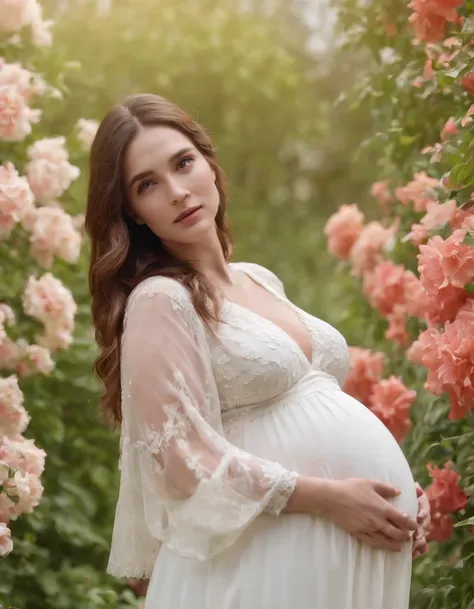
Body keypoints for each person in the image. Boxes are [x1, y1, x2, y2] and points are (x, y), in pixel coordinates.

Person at [85, 94, 431, 609]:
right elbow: (183, 461)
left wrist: (398, 496)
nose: (178, 192)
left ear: (208, 161)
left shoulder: (258, 279)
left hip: (339, 544)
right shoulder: (161, 299)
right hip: (265, 558)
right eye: (148, 184)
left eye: (184, 163)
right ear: (131, 212)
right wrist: (329, 498)